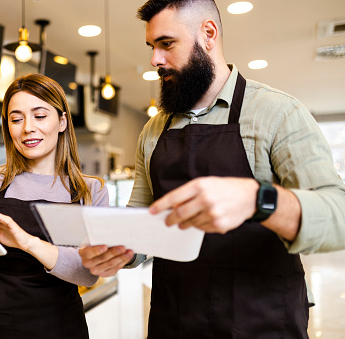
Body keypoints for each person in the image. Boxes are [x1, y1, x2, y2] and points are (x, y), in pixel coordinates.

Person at [79, 0, 345, 338]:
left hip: (261, 321)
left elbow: (339, 212)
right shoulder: (153, 131)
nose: (155, 60)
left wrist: (258, 199)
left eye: (167, 43)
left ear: (208, 34)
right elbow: (142, 221)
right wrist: (117, 250)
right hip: (173, 319)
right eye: (152, 46)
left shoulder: (276, 113)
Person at [0, 73, 107, 339]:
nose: (28, 127)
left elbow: (87, 275)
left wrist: (26, 242)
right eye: (16, 119)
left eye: (40, 116)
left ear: (62, 121)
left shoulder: (89, 190)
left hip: (62, 327)